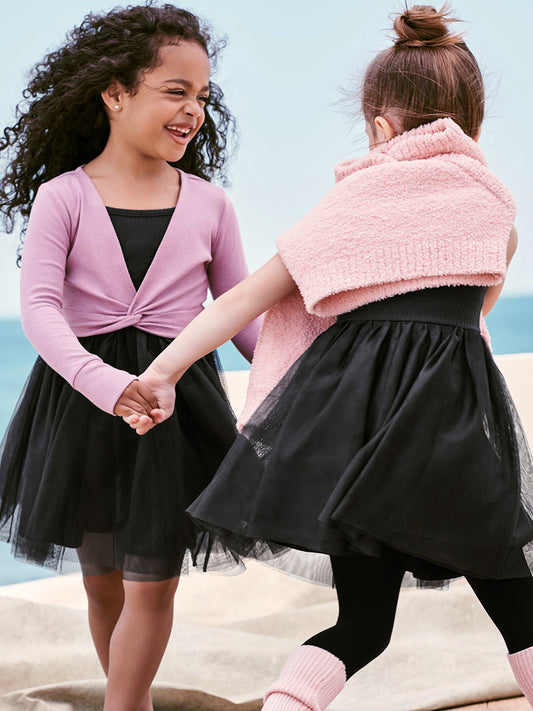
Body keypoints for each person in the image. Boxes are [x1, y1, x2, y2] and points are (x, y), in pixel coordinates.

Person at [124, 4, 533, 710]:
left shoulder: (351, 206)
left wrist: (161, 372)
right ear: (470, 127)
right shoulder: (494, 212)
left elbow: (239, 301)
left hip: (348, 441)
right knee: (523, 615)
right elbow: (474, 319)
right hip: (450, 442)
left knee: (361, 626)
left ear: (380, 129)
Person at [0, 5, 260, 710]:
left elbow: (241, 316)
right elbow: (40, 310)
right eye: (175, 91)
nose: (193, 110)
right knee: (102, 581)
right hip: (81, 404)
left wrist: (320, 372)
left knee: (154, 581)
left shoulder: (210, 205)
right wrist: (105, 383)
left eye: (202, 96)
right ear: (115, 93)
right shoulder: (62, 197)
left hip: (177, 409)